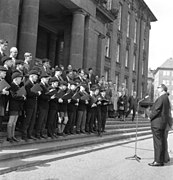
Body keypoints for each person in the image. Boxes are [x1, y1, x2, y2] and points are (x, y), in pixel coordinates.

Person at [148, 84, 170, 167]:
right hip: (162, 123)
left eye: (158, 88)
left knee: (157, 142)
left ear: (162, 89)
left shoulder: (161, 98)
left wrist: (150, 116)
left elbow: (157, 110)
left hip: (157, 123)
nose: (157, 89)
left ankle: (157, 161)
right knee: (160, 142)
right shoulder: (166, 98)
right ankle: (161, 160)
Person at [7, 72, 25, 143]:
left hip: (18, 106)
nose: (21, 80)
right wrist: (22, 97)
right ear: (16, 79)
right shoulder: (12, 86)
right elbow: (13, 96)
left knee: (14, 122)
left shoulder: (18, 86)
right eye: (20, 79)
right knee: (11, 122)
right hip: (13, 105)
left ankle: (13, 135)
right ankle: (9, 136)